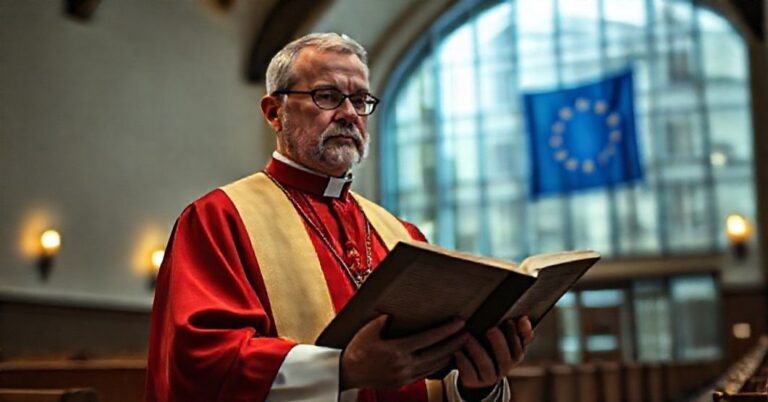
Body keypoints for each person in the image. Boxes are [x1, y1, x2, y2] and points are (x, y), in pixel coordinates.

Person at [144, 32, 534, 402]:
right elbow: (199, 364)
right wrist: (342, 370)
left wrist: (476, 385)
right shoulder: (219, 219)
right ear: (274, 112)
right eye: (327, 96)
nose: (349, 113)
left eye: (360, 100)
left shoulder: (401, 233)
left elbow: (432, 378)